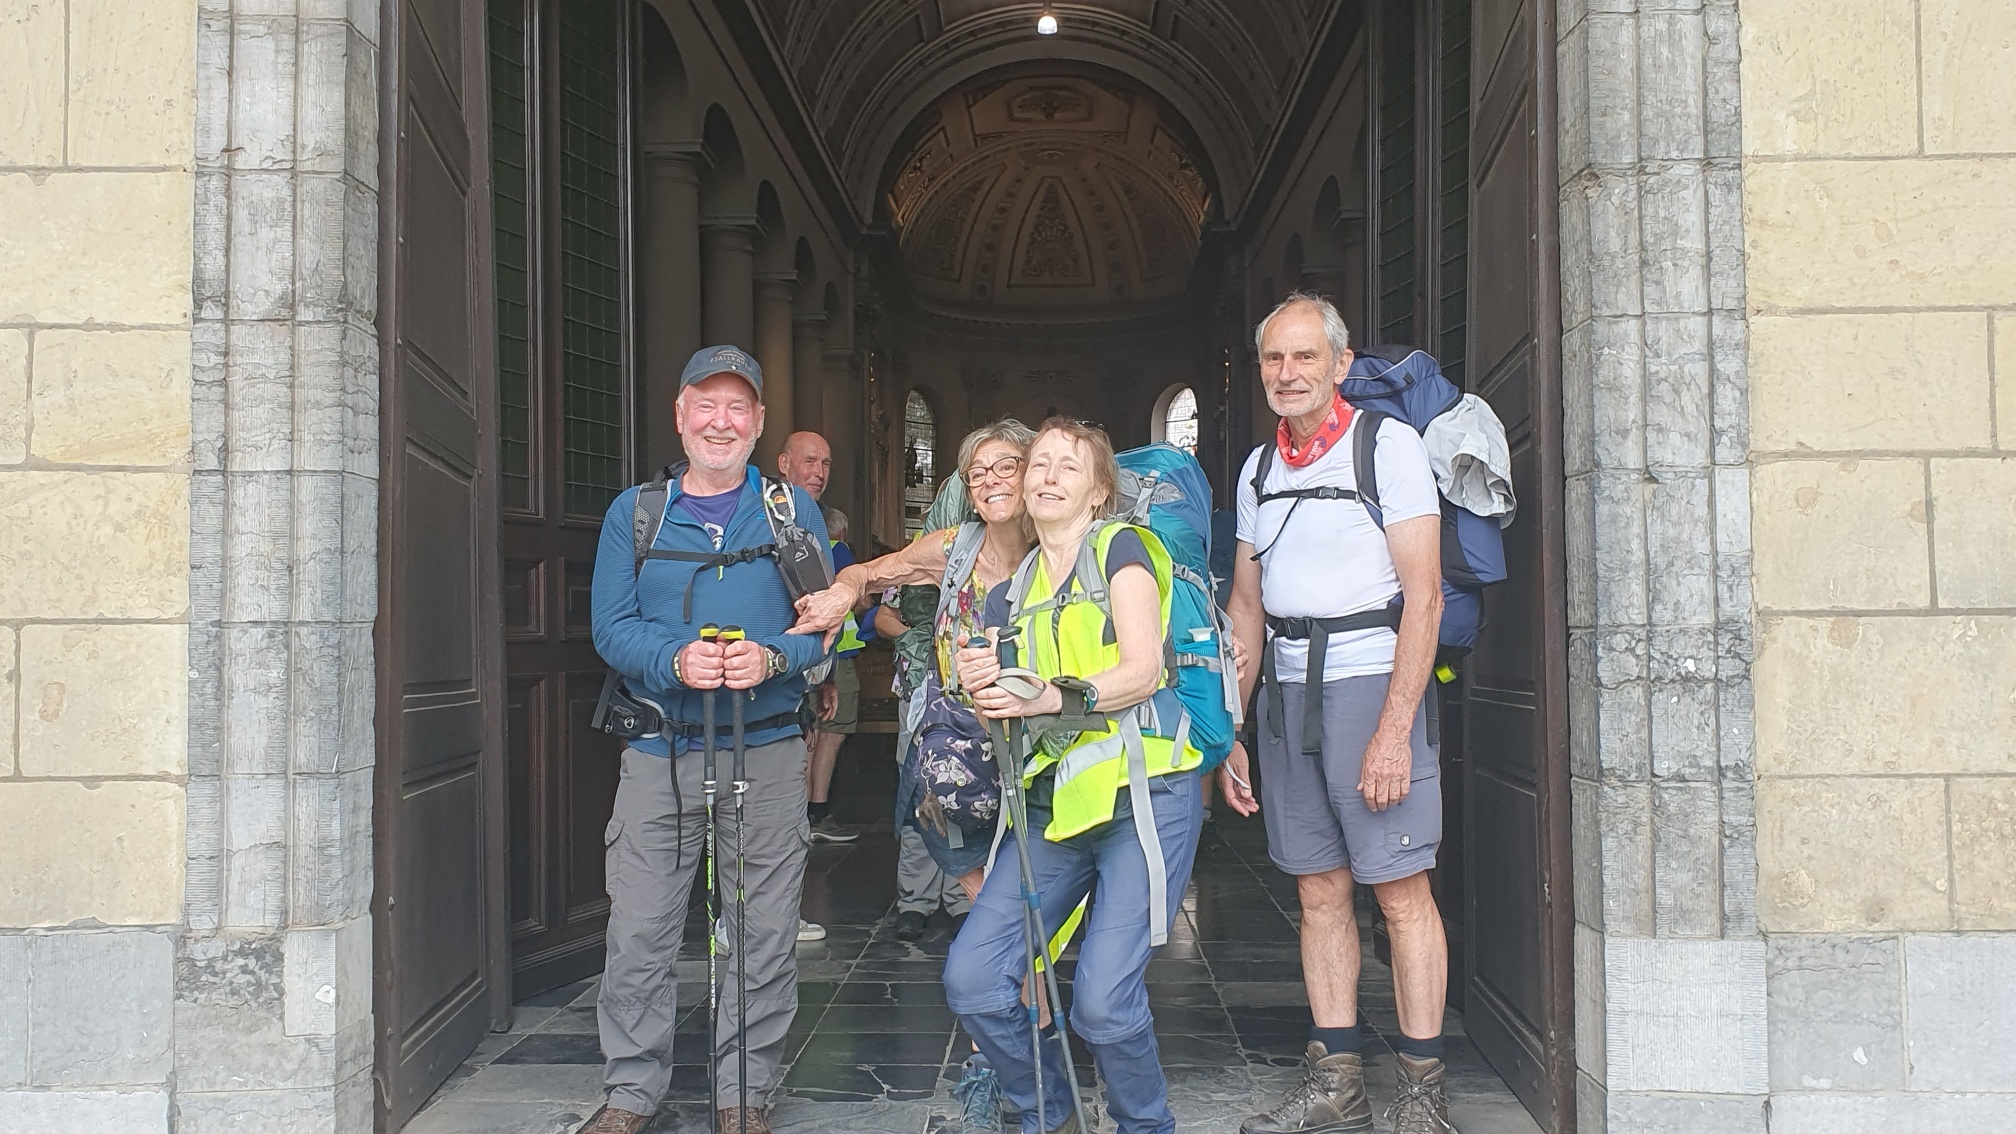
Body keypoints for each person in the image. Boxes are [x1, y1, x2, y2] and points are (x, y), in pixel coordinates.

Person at [1221, 293, 1455, 1134]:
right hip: (1285, 699)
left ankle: (1422, 1097)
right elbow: (1246, 607)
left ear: (1340, 365)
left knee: (1399, 891)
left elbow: (1423, 598)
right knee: (1319, 891)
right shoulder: (1256, 470)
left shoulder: (1385, 446)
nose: (1288, 374)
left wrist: (1395, 729)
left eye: (1305, 357)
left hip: (1370, 684)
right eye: (1275, 360)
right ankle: (1337, 1085)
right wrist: (1233, 730)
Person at [587, 346, 833, 1134]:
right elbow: (608, 630)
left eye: (738, 408)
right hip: (660, 750)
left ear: (758, 423)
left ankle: (742, 1094)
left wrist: (772, 656)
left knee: (760, 931)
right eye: (706, 405)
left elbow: (825, 632)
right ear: (681, 415)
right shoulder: (637, 513)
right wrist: (673, 660)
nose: (721, 422)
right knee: (639, 929)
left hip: (764, 746)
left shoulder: (793, 512)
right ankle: (630, 1094)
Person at [944, 418, 1205, 1134]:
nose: (1048, 475)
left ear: (1098, 492)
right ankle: (1048, 1112)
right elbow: (1009, 706)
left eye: (1069, 465)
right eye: (1040, 465)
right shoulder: (1013, 589)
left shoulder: (1120, 548)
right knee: (972, 979)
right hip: (1055, 806)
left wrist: (1057, 695)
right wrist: (982, 683)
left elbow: (1143, 667)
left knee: (1103, 1004)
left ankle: (1145, 1126)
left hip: (1144, 795)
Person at [793, 422, 1039, 944]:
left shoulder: (1062, 544)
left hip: (1040, 734)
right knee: (937, 823)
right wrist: (841, 595)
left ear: (1031, 474)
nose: (990, 480)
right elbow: (867, 575)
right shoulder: (952, 548)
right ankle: (992, 933)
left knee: (1035, 860)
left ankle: (1021, 970)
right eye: (976, 473)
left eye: (1005, 467)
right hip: (961, 736)